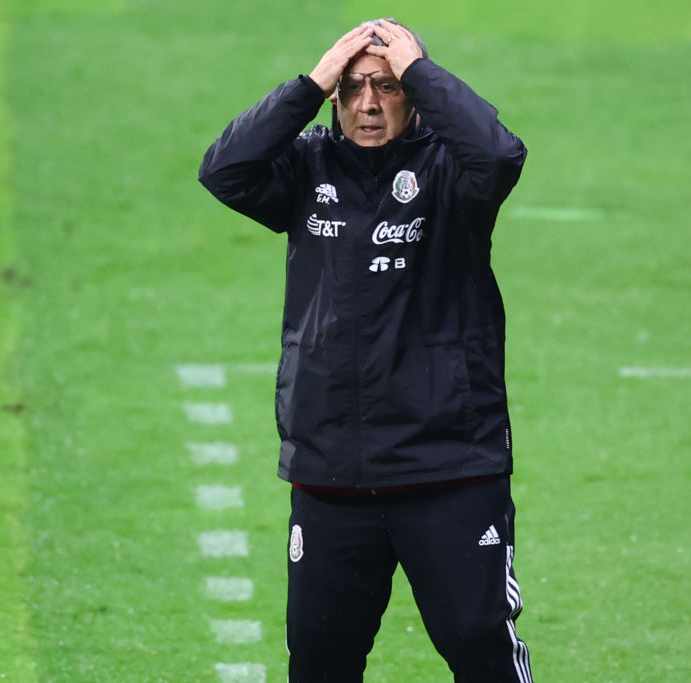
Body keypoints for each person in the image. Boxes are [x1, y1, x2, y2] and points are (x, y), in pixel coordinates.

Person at [198, 18, 532, 682]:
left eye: (386, 86)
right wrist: (311, 81)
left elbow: (498, 155)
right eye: (352, 88)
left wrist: (421, 71)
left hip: (448, 468)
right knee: (320, 661)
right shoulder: (306, 167)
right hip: (331, 474)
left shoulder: (450, 175)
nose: (369, 104)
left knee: (479, 645)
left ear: (412, 97)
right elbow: (225, 170)